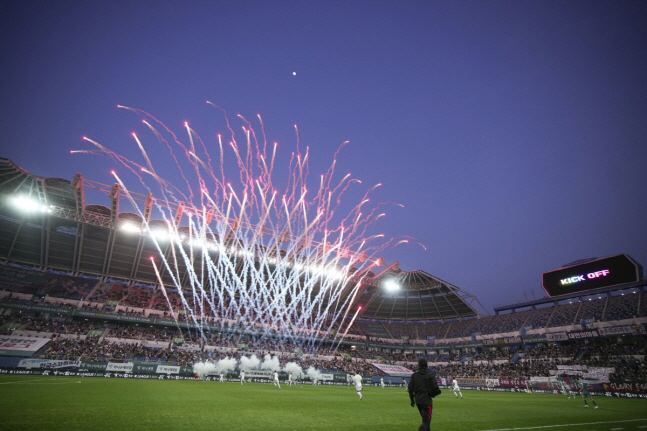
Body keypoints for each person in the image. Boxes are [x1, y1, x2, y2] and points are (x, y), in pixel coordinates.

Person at [409, 358, 441, 431]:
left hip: (418, 401)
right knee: (426, 423)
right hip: (427, 402)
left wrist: (412, 400)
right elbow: (437, 390)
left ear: (419, 365)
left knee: (426, 423)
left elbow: (410, 389)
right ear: (426, 365)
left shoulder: (414, 375)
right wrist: (431, 394)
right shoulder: (430, 375)